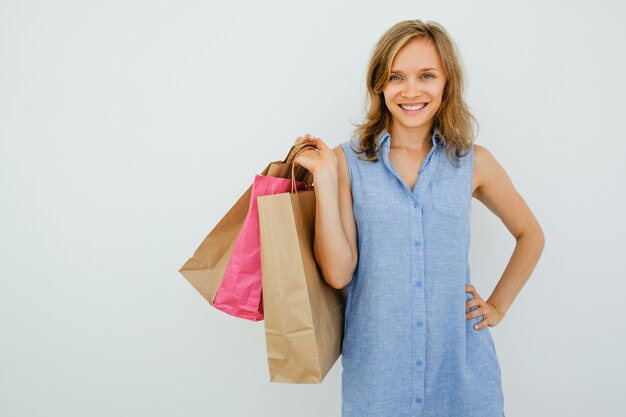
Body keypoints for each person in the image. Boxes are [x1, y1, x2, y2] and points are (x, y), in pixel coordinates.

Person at [293, 19, 545, 417]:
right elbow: (339, 274)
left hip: (461, 375)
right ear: (379, 85)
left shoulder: (474, 164)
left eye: (426, 75)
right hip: (378, 377)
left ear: (447, 83)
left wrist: (497, 306)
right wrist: (324, 180)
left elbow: (531, 234)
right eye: (396, 77)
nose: (411, 90)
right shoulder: (346, 162)